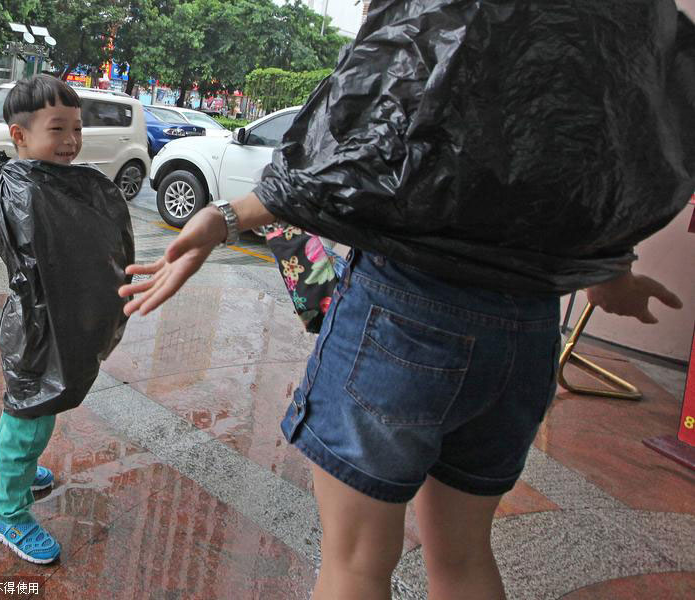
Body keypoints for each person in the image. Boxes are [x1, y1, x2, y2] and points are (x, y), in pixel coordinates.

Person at [119, 2, 693, 598]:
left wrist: (226, 215)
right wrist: (610, 269)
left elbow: (359, 148)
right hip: (525, 328)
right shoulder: (614, 16)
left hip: (405, 313)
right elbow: (622, 137)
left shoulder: (439, 12)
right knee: (466, 556)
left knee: (357, 562)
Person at [0, 75, 85, 565]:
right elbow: (52, 262)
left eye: (77, 130)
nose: (71, 141)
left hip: (37, 318)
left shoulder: (30, 180)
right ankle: (10, 514)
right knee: (32, 416)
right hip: (37, 323)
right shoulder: (25, 192)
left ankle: (3, 471)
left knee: (22, 406)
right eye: (58, 129)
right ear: (19, 135)